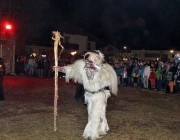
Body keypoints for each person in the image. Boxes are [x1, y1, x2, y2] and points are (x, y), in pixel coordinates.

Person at [59, 50, 118, 140]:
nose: (92, 59)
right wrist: (60, 69)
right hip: (89, 95)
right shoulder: (82, 66)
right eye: (90, 57)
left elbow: (107, 81)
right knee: (94, 113)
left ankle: (91, 134)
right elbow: (72, 70)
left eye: (95, 58)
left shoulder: (103, 69)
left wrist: (97, 70)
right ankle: (103, 128)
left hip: (99, 95)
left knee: (95, 114)